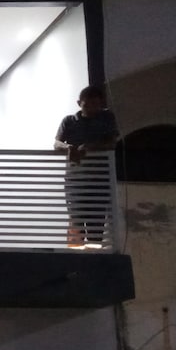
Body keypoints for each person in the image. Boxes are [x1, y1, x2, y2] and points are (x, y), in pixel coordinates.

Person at [54, 85, 120, 249]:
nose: (91, 109)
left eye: (96, 105)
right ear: (79, 103)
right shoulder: (69, 121)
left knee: (95, 227)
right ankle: (76, 261)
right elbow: (56, 143)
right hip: (75, 181)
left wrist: (91, 147)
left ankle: (93, 259)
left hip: (99, 181)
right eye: (87, 105)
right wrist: (69, 148)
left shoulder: (106, 119)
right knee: (76, 225)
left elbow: (112, 142)